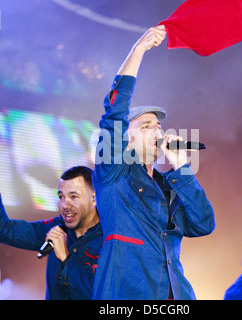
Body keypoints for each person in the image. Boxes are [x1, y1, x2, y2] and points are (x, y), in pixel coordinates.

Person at [92, 25, 215, 300]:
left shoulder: (168, 186)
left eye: (158, 126)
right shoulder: (113, 173)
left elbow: (203, 224)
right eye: (146, 125)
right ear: (126, 137)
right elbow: (114, 113)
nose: (157, 131)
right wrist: (138, 51)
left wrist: (182, 169)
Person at [0, 141, 102, 300]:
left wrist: (66, 258)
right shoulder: (57, 228)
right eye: (61, 197)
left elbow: (106, 294)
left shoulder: (112, 238)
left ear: (93, 198)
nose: (65, 205)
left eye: (73, 197)